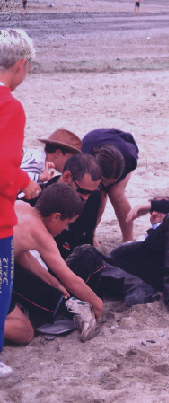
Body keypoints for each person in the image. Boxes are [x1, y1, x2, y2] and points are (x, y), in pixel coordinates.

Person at [13, 183, 104, 342]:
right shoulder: (41, 234)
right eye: (67, 223)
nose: (65, 228)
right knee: (25, 333)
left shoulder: (20, 206)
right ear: (55, 216)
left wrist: (53, 282)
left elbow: (23, 255)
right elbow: (72, 281)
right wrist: (97, 304)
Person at [0, 28, 40, 378]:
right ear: (20, 65)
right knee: (1, 287)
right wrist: (27, 184)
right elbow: (4, 167)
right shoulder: (9, 106)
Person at [81, 128, 139, 245]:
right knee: (98, 199)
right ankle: (91, 235)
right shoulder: (85, 157)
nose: (106, 185)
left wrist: (112, 181)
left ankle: (128, 239)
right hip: (92, 146)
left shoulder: (129, 158)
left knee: (116, 194)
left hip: (122, 153)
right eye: (104, 181)